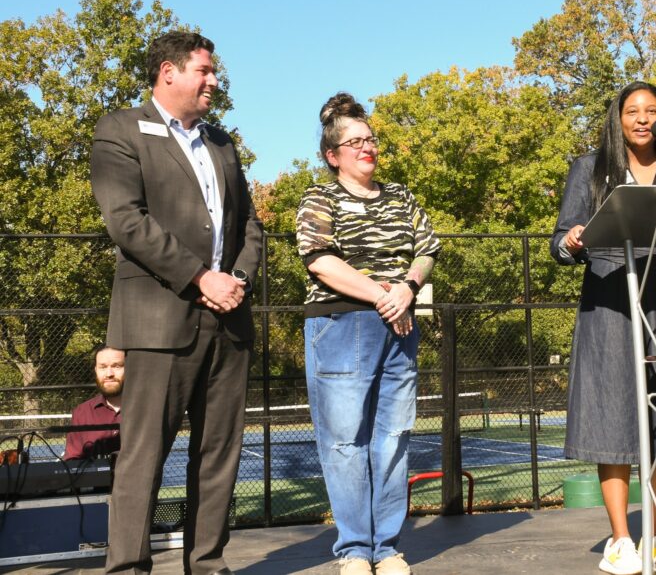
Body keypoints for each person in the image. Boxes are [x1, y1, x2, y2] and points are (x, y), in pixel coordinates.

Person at [90, 31, 263, 575]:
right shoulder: (120, 130)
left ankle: (207, 565)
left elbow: (252, 226)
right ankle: (128, 570)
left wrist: (235, 278)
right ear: (169, 72)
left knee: (219, 458)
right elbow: (126, 221)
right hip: (158, 323)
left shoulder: (222, 142)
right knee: (143, 459)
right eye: (205, 71)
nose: (215, 81)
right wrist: (200, 278)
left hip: (229, 324)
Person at [550, 81, 656, 575]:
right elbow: (559, 240)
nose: (643, 119)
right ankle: (622, 540)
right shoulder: (590, 167)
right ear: (617, 118)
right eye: (633, 111)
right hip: (610, 306)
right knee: (613, 418)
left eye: (652, 111)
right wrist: (574, 240)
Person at [296, 92, 440, 575]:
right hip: (341, 327)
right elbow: (320, 260)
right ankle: (355, 550)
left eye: (370, 138)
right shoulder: (319, 198)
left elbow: (427, 249)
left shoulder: (402, 196)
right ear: (332, 156)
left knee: (393, 438)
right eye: (354, 141)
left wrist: (409, 286)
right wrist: (384, 295)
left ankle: (388, 548)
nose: (366, 147)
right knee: (343, 441)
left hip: (400, 328)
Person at [64, 345, 125, 461]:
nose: (109, 374)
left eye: (116, 366)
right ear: (96, 370)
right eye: (103, 367)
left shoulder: (145, 410)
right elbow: (72, 461)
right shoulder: (82, 413)